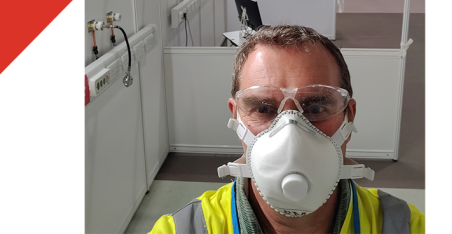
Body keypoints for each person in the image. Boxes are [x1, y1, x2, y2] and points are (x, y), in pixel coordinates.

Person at [150, 25, 424, 234]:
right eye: (264, 108)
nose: (291, 133)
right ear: (236, 117)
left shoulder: (406, 226)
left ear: (348, 116)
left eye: (315, 108)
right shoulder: (185, 229)